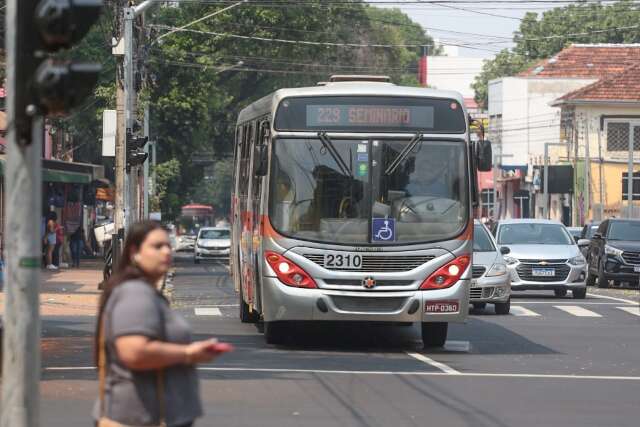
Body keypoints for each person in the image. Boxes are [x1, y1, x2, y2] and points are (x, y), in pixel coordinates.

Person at [94, 221, 232, 427]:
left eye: (168, 245)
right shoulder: (135, 293)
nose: (167, 251)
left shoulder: (144, 292)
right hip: (139, 418)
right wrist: (189, 353)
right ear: (134, 252)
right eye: (157, 246)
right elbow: (134, 352)